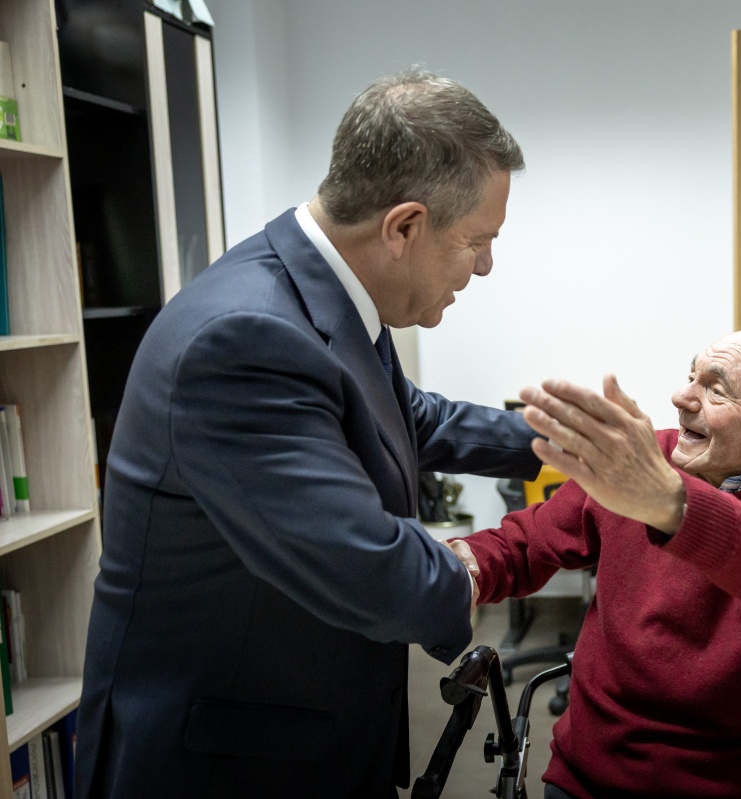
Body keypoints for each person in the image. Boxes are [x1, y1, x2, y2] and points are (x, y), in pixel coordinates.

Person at [74, 70, 542, 798]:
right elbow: (374, 570)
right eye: (476, 241)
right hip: (225, 762)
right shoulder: (244, 339)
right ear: (404, 227)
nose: (485, 266)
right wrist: (476, 566)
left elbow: (411, 416)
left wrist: (559, 442)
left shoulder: (325, 296)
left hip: (305, 726)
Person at [449, 325, 741, 798]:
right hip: (588, 777)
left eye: (716, 389)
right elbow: (524, 545)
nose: (681, 397)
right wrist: (460, 567)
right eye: (691, 377)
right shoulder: (646, 464)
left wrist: (676, 507)